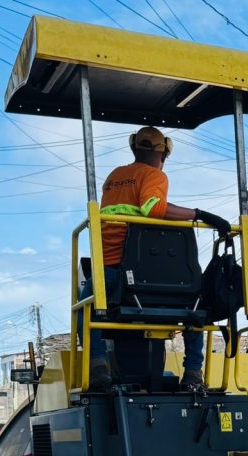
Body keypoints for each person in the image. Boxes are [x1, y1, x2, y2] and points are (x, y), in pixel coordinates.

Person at [87, 125, 230, 393]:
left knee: (88, 304)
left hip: (109, 270)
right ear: (164, 153)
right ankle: (192, 372)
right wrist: (199, 214)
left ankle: (98, 364)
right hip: (143, 276)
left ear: (134, 148)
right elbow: (152, 208)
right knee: (196, 305)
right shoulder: (154, 175)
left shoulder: (115, 176)